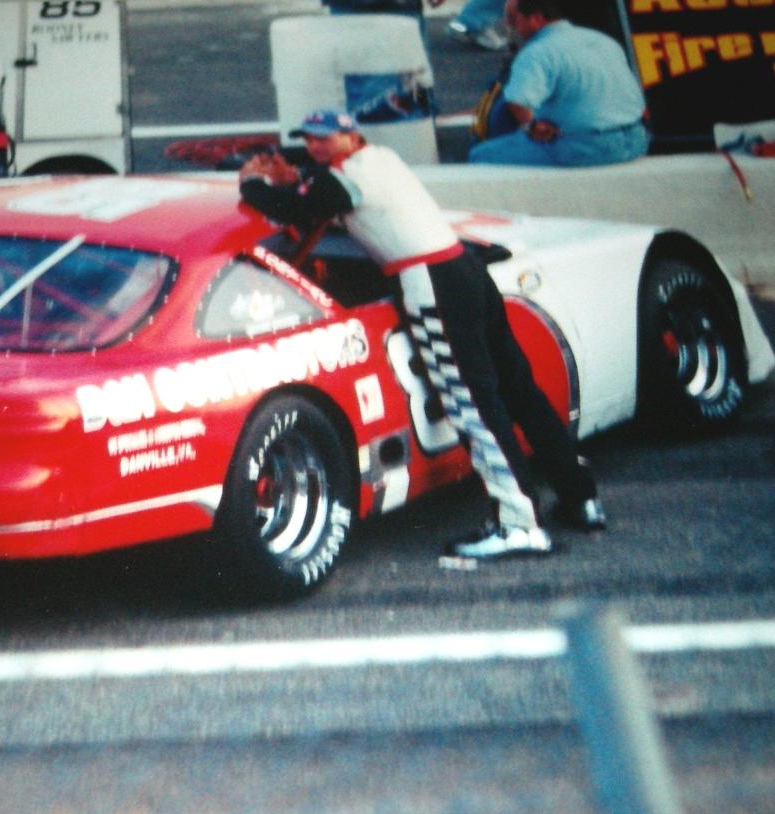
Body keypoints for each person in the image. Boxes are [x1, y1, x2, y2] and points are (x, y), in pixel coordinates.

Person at [239, 109, 606, 560]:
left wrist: (251, 184)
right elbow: (322, 188)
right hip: (466, 270)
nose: (315, 146)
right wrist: (297, 176)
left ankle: (519, 524)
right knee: (517, 388)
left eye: (325, 138)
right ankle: (580, 497)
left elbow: (296, 208)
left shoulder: (347, 177)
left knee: (471, 404)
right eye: (309, 139)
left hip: (431, 282)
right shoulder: (380, 159)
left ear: (352, 136)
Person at [468, 0, 649, 167]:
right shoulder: (602, 39)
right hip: (637, 139)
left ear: (536, 18)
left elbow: (517, 101)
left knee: (480, 154)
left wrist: (532, 127)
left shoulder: (536, 52)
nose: (510, 26)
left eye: (513, 19)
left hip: (589, 147)